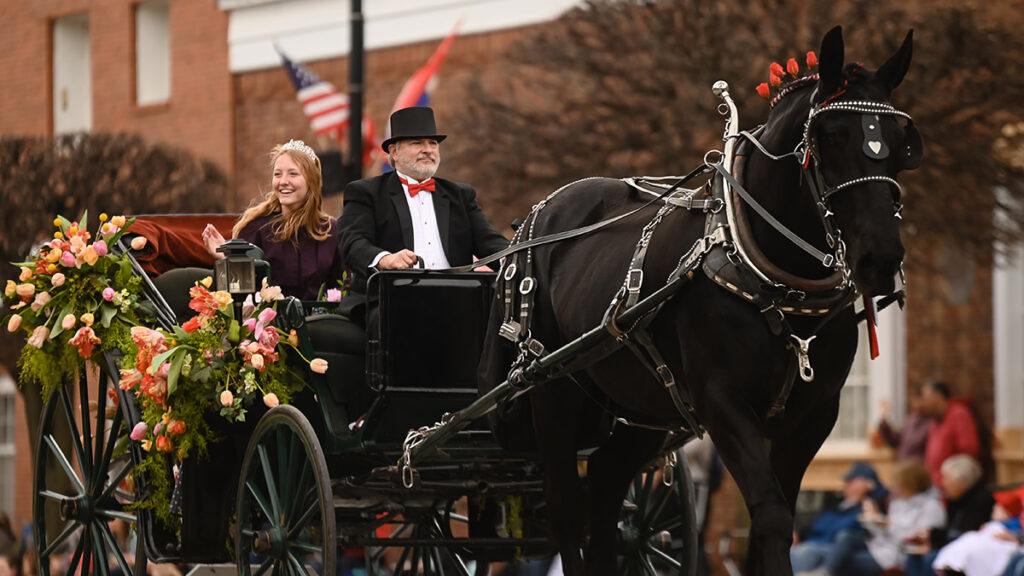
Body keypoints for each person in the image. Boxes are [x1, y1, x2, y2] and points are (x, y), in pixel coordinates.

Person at [337, 106, 509, 320]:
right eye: (417, 143)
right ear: (394, 151)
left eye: (433, 143)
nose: (428, 149)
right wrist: (385, 259)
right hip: (391, 297)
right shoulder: (366, 192)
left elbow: (491, 243)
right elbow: (352, 242)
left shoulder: (460, 195)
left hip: (458, 297)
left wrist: (515, 259)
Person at [203, 139, 346, 301]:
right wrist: (226, 260)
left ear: (311, 181)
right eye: (278, 174)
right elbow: (233, 297)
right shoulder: (255, 227)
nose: (283, 181)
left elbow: (343, 289)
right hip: (266, 322)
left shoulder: (332, 231)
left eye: (293, 174)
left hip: (319, 323)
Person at [827, 459, 946, 576]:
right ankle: (826, 570)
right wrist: (874, 521)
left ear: (911, 483)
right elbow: (884, 535)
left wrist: (890, 525)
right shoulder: (899, 503)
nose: (896, 487)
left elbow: (920, 541)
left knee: (845, 562)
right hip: (878, 547)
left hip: (895, 557)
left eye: (899, 483)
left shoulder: (931, 507)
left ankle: (825, 571)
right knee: (845, 536)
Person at [904, 455, 995, 576]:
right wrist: (930, 535)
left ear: (962, 481)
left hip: (972, 551)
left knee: (931, 558)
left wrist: (934, 541)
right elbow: (950, 530)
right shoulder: (955, 498)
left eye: (947, 479)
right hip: (953, 545)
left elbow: (964, 535)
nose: (943, 483)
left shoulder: (982, 501)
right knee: (912, 557)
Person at [790, 462, 887, 575]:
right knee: (790, 551)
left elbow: (864, 530)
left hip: (834, 546)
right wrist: (797, 532)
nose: (846, 485)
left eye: (851, 482)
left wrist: (869, 496)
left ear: (866, 484)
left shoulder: (872, 505)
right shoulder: (836, 504)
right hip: (813, 541)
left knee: (806, 552)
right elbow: (811, 524)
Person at [932, 487, 1024, 576]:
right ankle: (951, 564)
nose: (994, 508)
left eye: (999, 506)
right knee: (968, 540)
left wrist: (1016, 537)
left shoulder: (1012, 524)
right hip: (989, 539)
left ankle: (955, 566)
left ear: (1007, 512)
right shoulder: (994, 523)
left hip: (1004, 545)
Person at [919, 381, 987, 486]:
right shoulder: (935, 420)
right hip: (935, 483)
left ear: (938, 396)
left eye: (926, 398)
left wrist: (949, 477)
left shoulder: (959, 414)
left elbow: (968, 451)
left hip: (953, 484)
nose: (924, 403)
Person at [875, 394, 932, 462]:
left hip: (918, 467)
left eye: (921, 402)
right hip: (903, 465)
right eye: (915, 402)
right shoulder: (909, 420)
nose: (917, 405)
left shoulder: (931, 423)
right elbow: (895, 441)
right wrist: (884, 420)